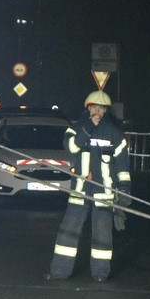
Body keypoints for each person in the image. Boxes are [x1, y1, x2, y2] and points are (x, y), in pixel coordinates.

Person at [45, 90, 131, 282]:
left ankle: (100, 273)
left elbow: (122, 165)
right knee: (68, 232)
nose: (97, 111)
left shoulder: (115, 134)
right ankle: (60, 271)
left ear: (106, 111)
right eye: (93, 107)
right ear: (87, 108)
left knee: (102, 236)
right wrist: (88, 128)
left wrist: (124, 189)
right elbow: (72, 147)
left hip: (104, 193)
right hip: (80, 191)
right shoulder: (76, 128)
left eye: (100, 108)